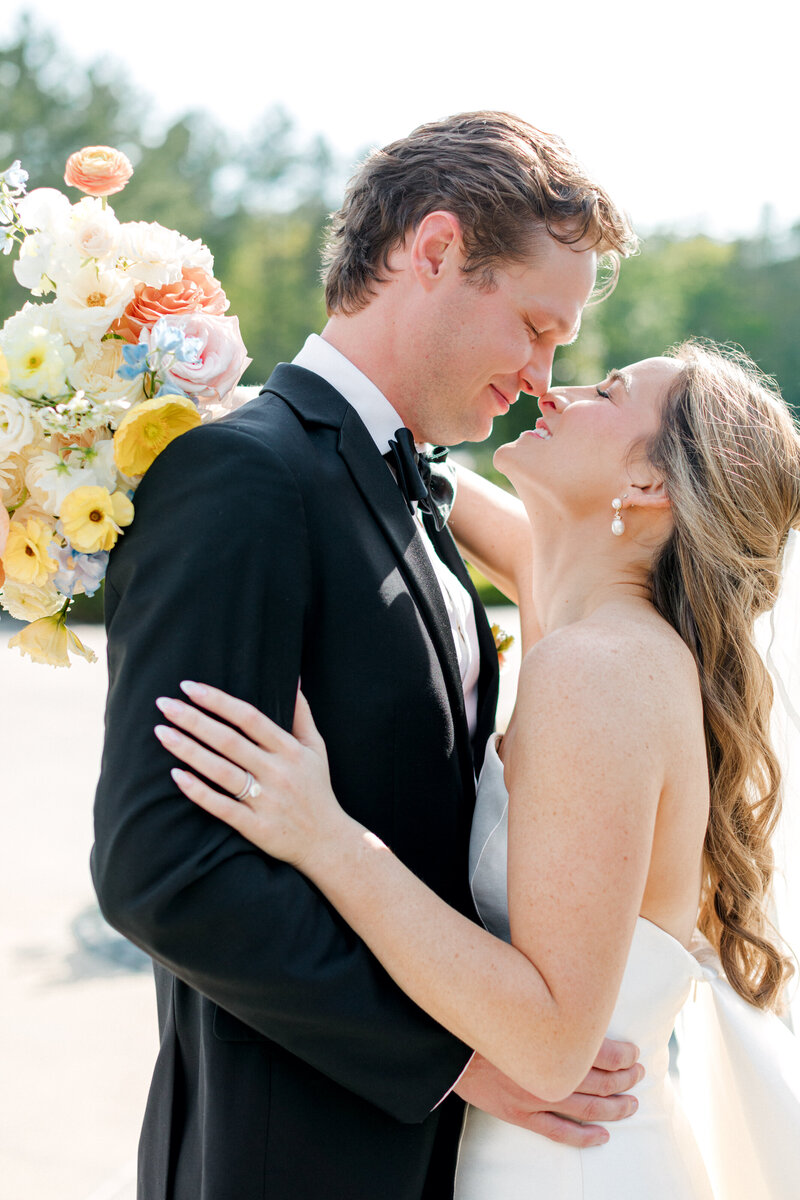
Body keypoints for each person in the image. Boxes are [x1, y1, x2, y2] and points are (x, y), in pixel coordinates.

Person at [91, 112, 642, 1200]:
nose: (541, 375)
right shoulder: (242, 478)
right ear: (435, 251)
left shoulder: (412, 488)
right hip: (282, 1152)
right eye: (534, 326)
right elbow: (163, 868)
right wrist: (456, 1062)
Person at [154, 340, 800, 1198]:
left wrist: (325, 835)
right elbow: (441, 493)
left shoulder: (597, 669)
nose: (555, 389)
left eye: (606, 391)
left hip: (559, 1168)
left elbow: (551, 1046)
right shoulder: (594, 618)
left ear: (648, 487)